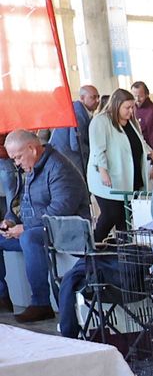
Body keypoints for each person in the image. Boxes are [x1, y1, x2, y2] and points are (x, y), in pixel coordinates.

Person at [0, 130, 90, 323]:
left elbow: (60, 210)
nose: (16, 163)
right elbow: (18, 204)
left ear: (32, 149)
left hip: (67, 230)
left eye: (17, 157)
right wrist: (10, 221)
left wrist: (24, 228)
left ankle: (41, 303)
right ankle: (2, 296)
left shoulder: (59, 167)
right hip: (39, 228)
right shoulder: (29, 168)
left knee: (29, 238)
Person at [88, 87, 153, 242]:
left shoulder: (131, 123)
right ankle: (94, 246)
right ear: (116, 105)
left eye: (132, 107)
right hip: (109, 180)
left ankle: (125, 254)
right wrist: (103, 171)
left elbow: (139, 142)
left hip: (130, 178)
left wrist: (151, 152)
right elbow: (98, 149)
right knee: (111, 214)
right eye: (127, 107)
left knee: (125, 218)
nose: (131, 111)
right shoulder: (100, 121)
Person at [48, 83, 98, 170]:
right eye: (93, 97)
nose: (97, 100)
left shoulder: (78, 111)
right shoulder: (78, 114)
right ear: (82, 98)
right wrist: (93, 150)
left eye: (98, 97)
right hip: (68, 161)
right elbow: (76, 144)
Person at [130, 81, 153, 158]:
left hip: (149, 155)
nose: (137, 99)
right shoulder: (132, 108)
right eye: (134, 96)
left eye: (140, 96)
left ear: (147, 95)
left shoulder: (152, 112)